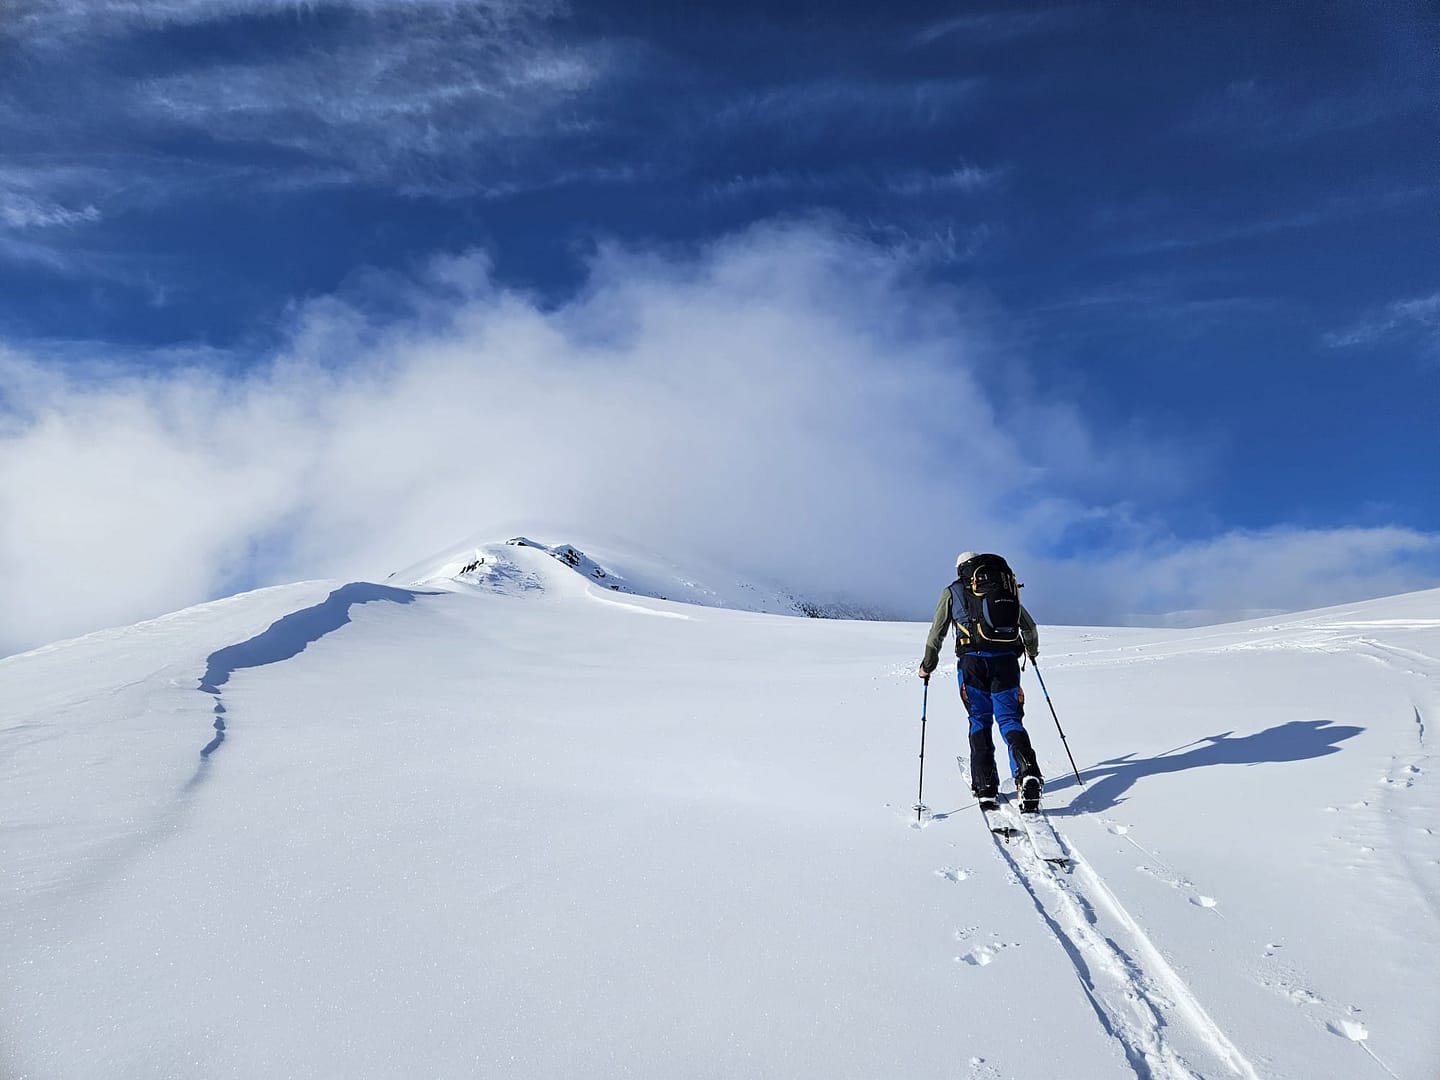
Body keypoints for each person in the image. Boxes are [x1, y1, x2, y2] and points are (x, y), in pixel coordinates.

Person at [918, 552, 1044, 811]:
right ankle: (1027, 772)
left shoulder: (953, 592)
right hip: (1006, 662)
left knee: (979, 719)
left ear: (960, 570)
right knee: (1010, 719)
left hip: (972, 664)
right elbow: (1029, 627)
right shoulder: (1004, 587)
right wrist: (1031, 651)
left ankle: (986, 785)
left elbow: (937, 633)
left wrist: (927, 666)